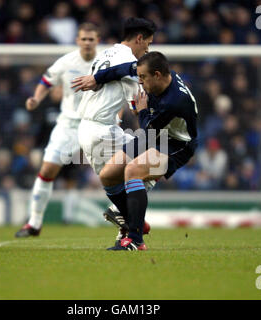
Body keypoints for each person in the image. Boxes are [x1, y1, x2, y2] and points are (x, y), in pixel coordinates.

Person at [73, 52, 198, 250]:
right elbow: (121, 70)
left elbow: (147, 132)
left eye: (142, 78)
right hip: (158, 135)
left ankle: (135, 239)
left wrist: (141, 111)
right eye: (138, 76)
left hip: (175, 145)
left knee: (133, 171)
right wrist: (96, 78)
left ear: (157, 74)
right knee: (108, 175)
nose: (139, 82)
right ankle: (134, 220)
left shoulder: (174, 101)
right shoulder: (158, 73)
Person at [73, 17, 157, 246]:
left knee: (120, 179)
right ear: (139, 38)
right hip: (101, 132)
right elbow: (136, 101)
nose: (147, 49)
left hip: (93, 128)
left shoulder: (106, 54)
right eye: (148, 43)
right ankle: (124, 217)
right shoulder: (130, 62)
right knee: (157, 159)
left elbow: (110, 91)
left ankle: (126, 229)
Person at [15, 23, 101, 237]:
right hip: (69, 125)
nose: (87, 43)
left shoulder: (107, 62)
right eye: (84, 39)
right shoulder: (66, 62)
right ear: (77, 41)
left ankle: (131, 224)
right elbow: (46, 81)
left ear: (97, 40)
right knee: (47, 171)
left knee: (117, 172)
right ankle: (34, 223)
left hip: (98, 124)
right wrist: (36, 98)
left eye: (91, 39)